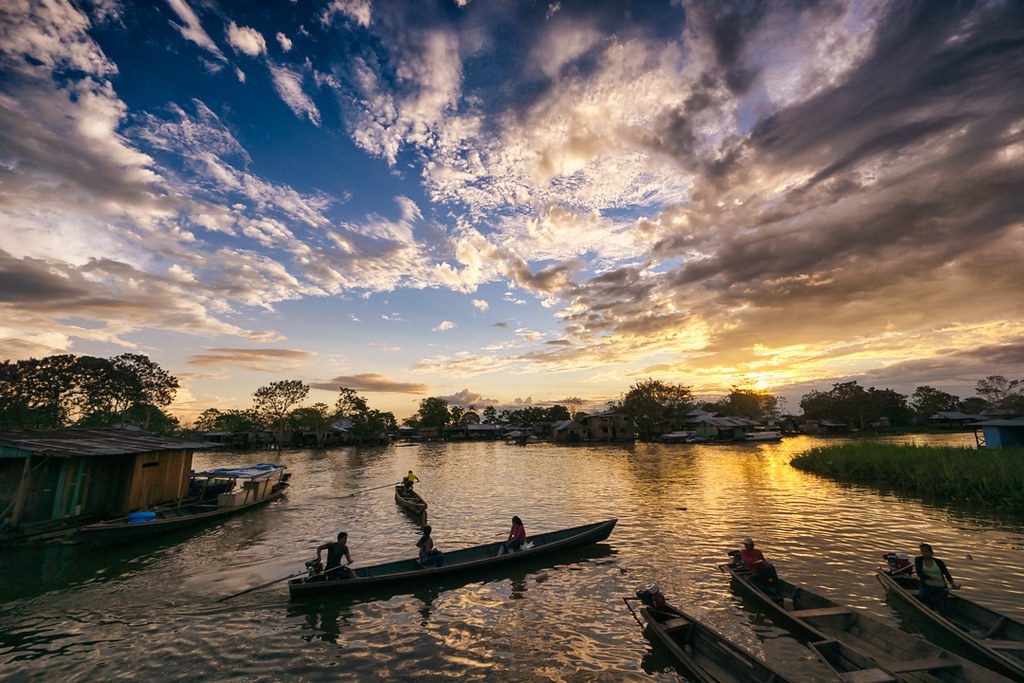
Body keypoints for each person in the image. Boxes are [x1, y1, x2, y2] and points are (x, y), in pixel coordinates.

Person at [915, 543, 959, 609]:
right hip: (926, 587)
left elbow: (947, 574)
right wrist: (931, 577)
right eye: (922, 551)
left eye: (926, 551)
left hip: (940, 588)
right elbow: (919, 574)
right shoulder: (919, 560)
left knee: (936, 600)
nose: (924, 553)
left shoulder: (939, 562)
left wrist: (952, 584)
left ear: (931, 552)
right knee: (922, 597)